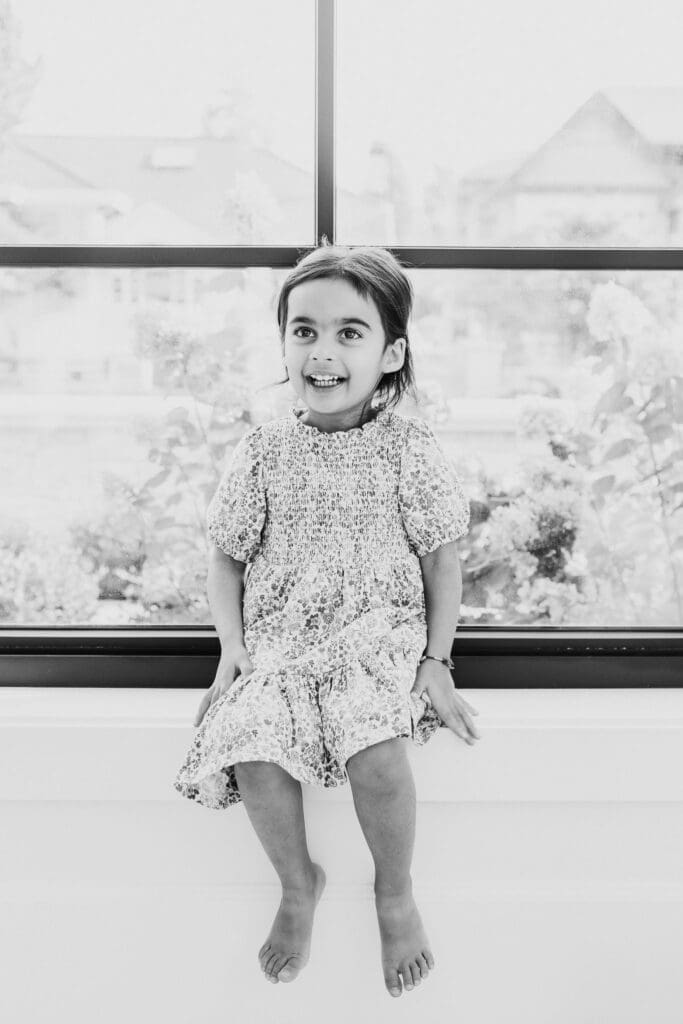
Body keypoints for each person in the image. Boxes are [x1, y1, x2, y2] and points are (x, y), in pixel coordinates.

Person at [173, 241, 480, 998]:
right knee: (251, 748)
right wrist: (232, 651)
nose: (323, 350)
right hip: (283, 639)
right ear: (284, 344)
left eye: (350, 331)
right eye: (304, 330)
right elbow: (226, 558)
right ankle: (297, 880)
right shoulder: (263, 450)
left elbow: (443, 560)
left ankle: (394, 891)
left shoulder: (407, 448)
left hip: (375, 635)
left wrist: (435, 663)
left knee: (375, 753)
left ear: (389, 352)